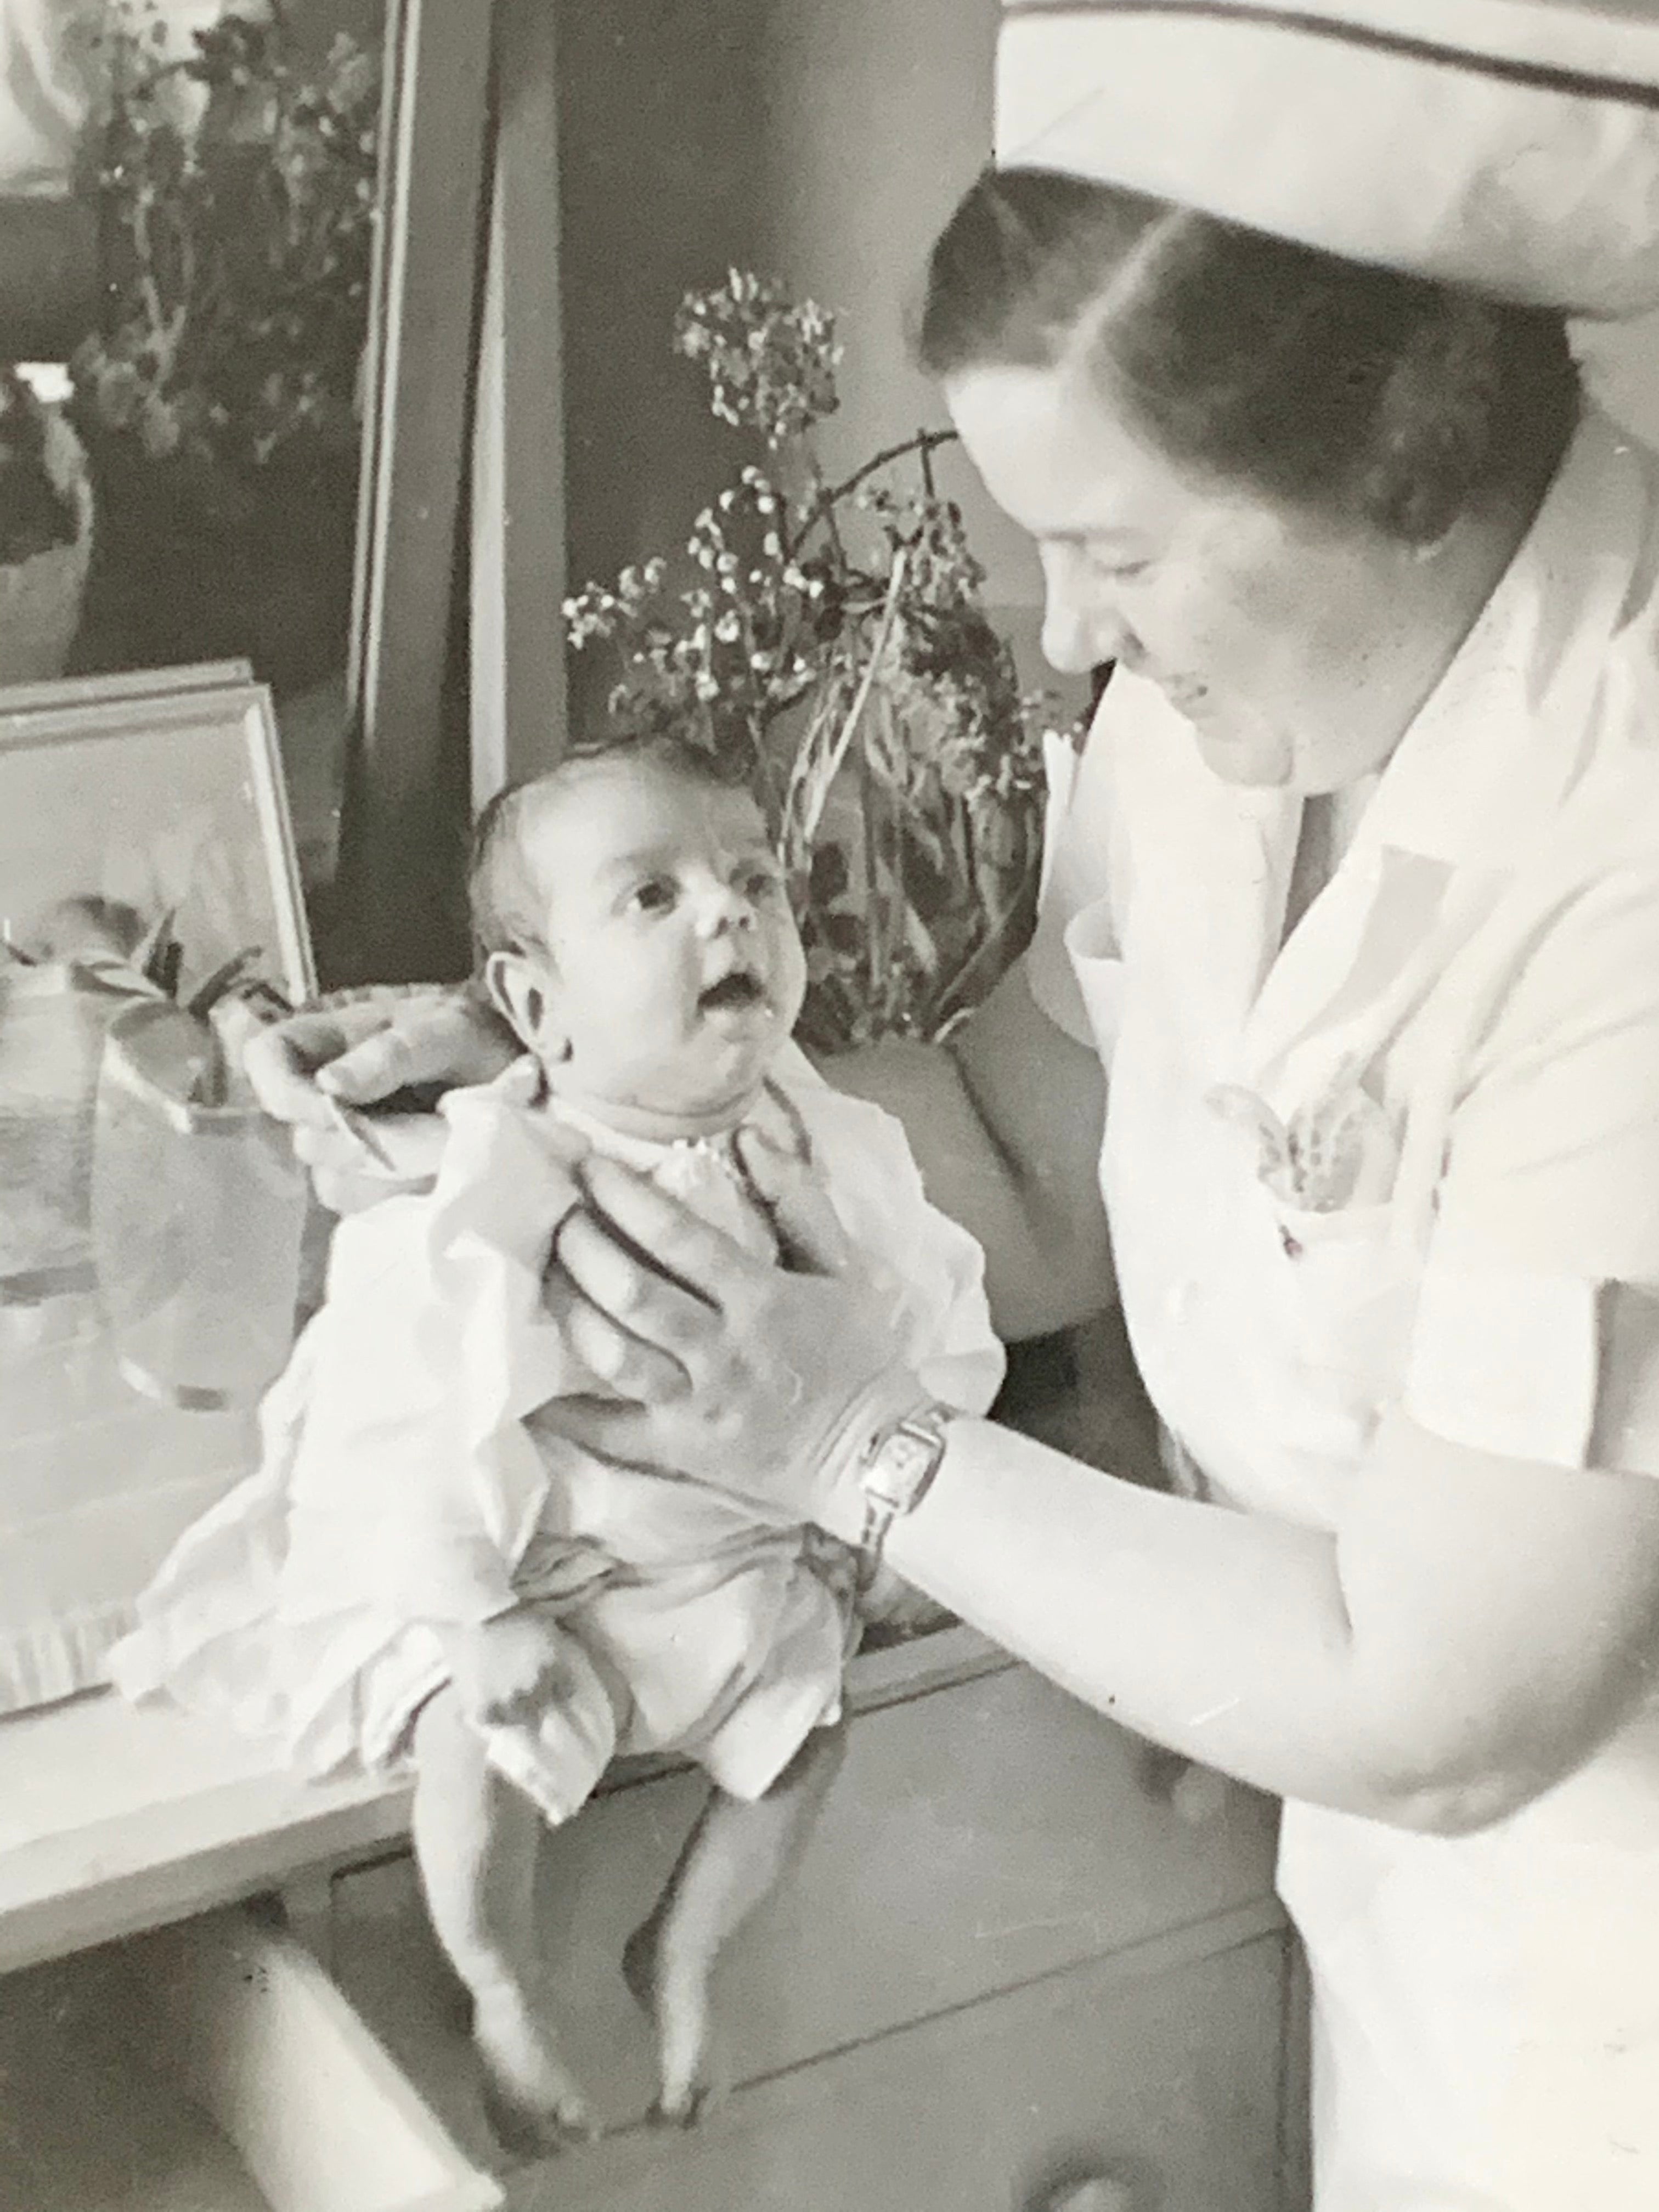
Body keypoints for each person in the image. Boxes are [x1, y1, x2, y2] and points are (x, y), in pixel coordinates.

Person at [246, 5, 1659, 2204]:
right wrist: (609, 1086)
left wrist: (848, 1444)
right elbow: (1020, 1143)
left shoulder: (1630, 852)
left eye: (1123, 544)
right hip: (1413, 1945)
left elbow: (1454, 1703)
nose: (1071, 640)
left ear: (1404, 452)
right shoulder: (1235, 726)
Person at [116, 740, 1003, 2151]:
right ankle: (498, 1985)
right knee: (480, 1746)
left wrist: (901, 1506)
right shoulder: (491, 1180)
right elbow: (399, 1415)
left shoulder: (828, 1138)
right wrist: (475, 1613)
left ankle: (686, 1949)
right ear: (535, 1007)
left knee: (809, 1731)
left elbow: (916, 1300)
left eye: (755, 880)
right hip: (555, 1573)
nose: (730, 914)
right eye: (651, 898)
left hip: (741, 1557)